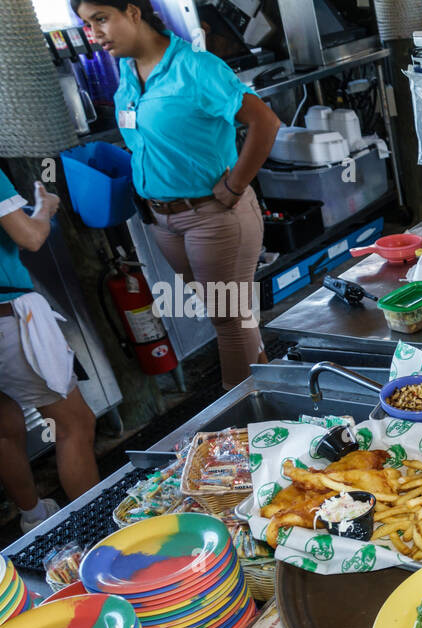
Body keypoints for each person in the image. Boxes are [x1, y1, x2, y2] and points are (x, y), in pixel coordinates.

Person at [75, 0, 280, 389]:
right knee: (230, 315)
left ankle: (238, 428)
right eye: (87, 24)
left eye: (101, 19)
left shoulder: (196, 68)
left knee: (228, 320)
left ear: (133, 12)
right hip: (165, 220)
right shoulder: (128, 72)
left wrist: (235, 184)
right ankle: (268, 398)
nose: (94, 33)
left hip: (214, 215)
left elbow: (265, 122)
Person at [1, 172, 100, 533]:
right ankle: (100, 536)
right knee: (74, 425)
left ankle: (34, 516)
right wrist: (44, 208)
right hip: (6, 318)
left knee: (4, 427)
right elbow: (29, 238)